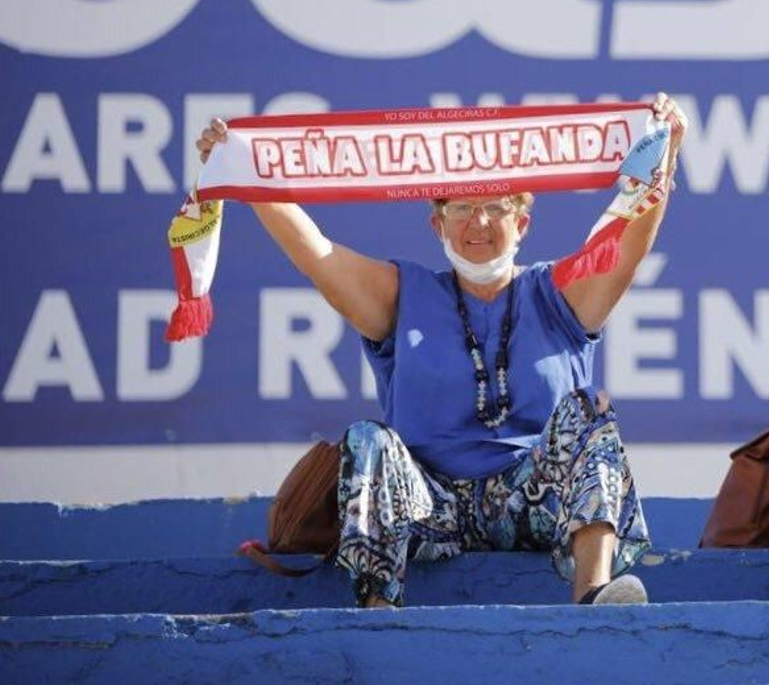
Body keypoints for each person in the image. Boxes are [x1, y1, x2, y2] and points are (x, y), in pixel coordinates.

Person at [194, 95, 685, 609]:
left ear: (522, 224)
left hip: (536, 505)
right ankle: (378, 613)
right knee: (367, 438)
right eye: (462, 209)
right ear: (438, 224)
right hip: (429, 511)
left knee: (590, 411)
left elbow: (627, 248)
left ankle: (593, 597)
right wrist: (244, 173)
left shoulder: (557, 293)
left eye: (497, 207)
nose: (479, 223)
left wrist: (665, 151)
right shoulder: (405, 294)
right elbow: (318, 254)